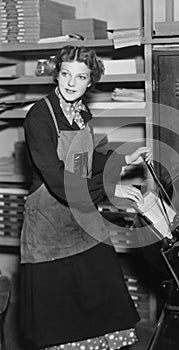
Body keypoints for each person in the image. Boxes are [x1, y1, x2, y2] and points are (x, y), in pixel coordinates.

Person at [20, 45, 151, 350]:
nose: (70, 83)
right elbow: (58, 179)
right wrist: (112, 188)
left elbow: (86, 161)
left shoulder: (82, 114)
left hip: (82, 223)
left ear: (90, 83)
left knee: (107, 304)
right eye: (65, 74)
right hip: (49, 230)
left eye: (80, 77)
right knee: (59, 325)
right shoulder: (39, 117)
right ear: (57, 74)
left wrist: (124, 158)